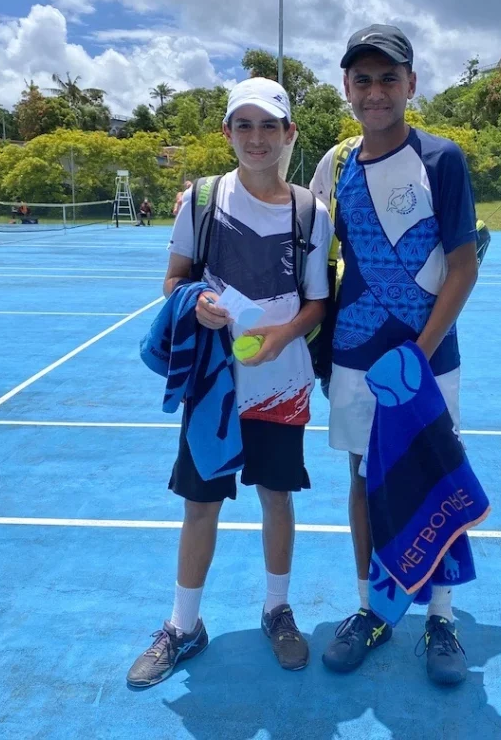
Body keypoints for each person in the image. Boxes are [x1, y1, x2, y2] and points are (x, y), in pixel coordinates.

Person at [127, 77, 333, 688]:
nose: (257, 137)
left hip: (282, 382)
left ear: (290, 133)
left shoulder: (310, 212)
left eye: (270, 125)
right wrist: (197, 304)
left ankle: (277, 611)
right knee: (201, 503)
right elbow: (173, 280)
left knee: (277, 497)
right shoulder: (200, 201)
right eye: (243, 125)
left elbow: (318, 303)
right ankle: (182, 625)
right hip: (215, 383)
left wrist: (282, 335)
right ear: (227, 134)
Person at [309, 24, 480, 685]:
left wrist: (419, 352)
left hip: (427, 361)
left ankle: (441, 617)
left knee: (435, 476)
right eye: (363, 79)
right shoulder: (337, 163)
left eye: (388, 78)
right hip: (355, 357)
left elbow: (463, 268)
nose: (375, 91)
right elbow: (307, 236)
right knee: (364, 481)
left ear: (411, 85)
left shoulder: (442, 159)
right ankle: (373, 609)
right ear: (347, 88)